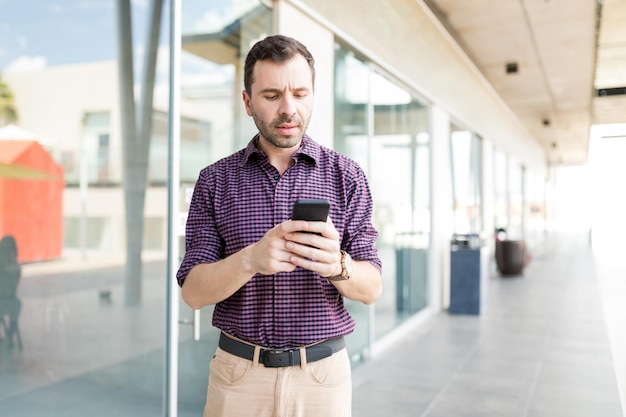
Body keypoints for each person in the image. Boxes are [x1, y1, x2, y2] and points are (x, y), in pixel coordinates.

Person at [176, 34, 382, 417]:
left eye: (300, 94)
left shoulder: (347, 176)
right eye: (272, 96)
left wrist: (338, 265)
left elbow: (371, 288)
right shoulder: (215, 181)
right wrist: (250, 260)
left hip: (322, 379)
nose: (289, 109)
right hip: (238, 378)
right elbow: (193, 294)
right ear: (247, 101)